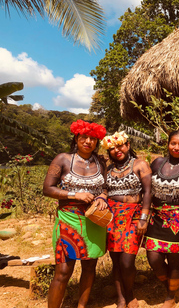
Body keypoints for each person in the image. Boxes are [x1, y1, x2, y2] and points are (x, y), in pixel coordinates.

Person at [43, 119, 108, 308]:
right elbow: (47, 189)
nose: (88, 141)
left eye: (93, 138)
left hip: (94, 220)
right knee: (63, 271)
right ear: (76, 138)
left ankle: (82, 306)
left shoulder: (101, 162)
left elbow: (105, 188)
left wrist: (102, 197)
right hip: (68, 220)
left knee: (89, 268)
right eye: (84, 137)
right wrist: (74, 194)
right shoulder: (62, 159)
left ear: (97, 141)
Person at [143, 130, 179, 308]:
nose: (176, 147)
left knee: (174, 260)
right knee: (153, 258)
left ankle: (170, 296)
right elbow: (146, 189)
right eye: (173, 143)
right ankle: (169, 283)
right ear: (168, 144)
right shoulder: (157, 163)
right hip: (157, 218)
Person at [101, 131, 152, 308]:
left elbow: (148, 192)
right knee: (115, 259)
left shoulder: (140, 165)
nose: (117, 150)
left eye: (120, 145)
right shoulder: (107, 169)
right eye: (112, 148)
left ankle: (129, 293)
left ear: (128, 145)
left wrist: (144, 217)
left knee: (127, 260)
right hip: (112, 217)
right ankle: (121, 297)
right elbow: (104, 191)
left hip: (134, 216)